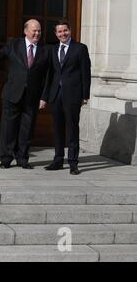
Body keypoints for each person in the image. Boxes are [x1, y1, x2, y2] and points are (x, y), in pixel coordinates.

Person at [0, 19, 50, 169]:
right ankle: (6, 158)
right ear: (25, 31)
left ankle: (22, 159)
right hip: (12, 93)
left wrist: (44, 97)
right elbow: (0, 53)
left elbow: (47, 75)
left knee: (27, 129)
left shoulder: (45, 49)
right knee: (8, 127)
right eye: (34, 30)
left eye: (39, 30)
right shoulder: (15, 44)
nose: (37, 33)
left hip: (32, 96)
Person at [42, 20, 91, 175]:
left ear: (70, 31)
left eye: (65, 31)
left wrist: (85, 95)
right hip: (56, 95)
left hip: (73, 95)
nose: (63, 34)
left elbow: (86, 73)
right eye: (59, 32)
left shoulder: (80, 48)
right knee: (57, 128)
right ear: (56, 34)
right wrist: (45, 96)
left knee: (72, 128)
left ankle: (73, 163)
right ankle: (58, 160)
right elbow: (49, 75)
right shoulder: (53, 49)